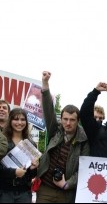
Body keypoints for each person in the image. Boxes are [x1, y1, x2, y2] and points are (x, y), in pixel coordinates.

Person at [36, 71, 90, 203]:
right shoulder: (55, 130)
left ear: (78, 121)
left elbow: (84, 169)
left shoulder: (84, 140)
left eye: (72, 120)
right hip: (45, 189)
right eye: (65, 119)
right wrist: (45, 84)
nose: (68, 123)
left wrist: (68, 184)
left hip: (66, 193)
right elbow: (49, 109)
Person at [0, 108, 39, 203]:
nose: (19, 122)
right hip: (4, 192)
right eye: (16, 119)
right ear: (10, 121)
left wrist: (33, 168)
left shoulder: (31, 144)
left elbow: (31, 175)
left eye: (23, 119)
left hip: (24, 193)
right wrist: (14, 172)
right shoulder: (2, 141)